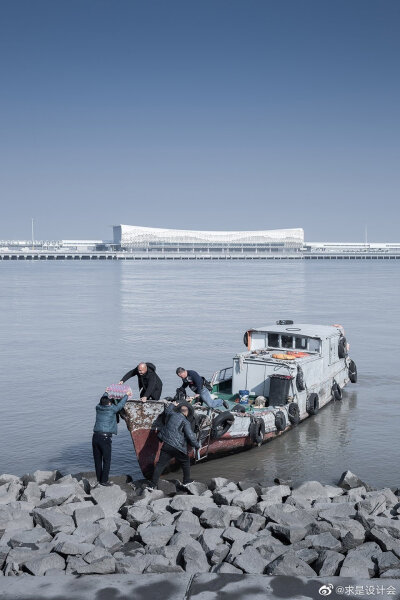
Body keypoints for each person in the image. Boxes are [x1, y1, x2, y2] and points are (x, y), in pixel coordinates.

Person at [149, 399, 200, 488]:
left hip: (166, 445)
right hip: (178, 447)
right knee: (185, 462)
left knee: (160, 465)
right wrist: (197, 446)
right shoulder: (186, 422)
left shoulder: (172, 414)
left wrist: (173, 404)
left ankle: (152, 485)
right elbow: (191, 436)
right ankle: (186, 481)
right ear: (186, 413)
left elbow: (167, 410)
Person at [92, 391, 129, 486]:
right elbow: (120, 405)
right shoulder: (112, 409)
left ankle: (99, 480)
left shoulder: (98, 407)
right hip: (105, 438)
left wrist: (106, 392)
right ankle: (104, 481)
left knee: (98, 460)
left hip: (95, 437)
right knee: (107, 460)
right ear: (109, 403)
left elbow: (103, 398)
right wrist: (126, 395)